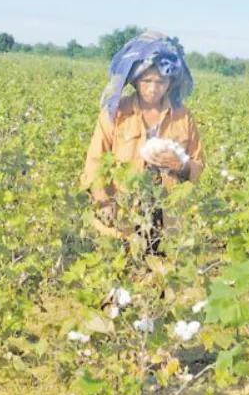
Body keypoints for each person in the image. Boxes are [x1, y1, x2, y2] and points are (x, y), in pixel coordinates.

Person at [81, 31, 205, 252]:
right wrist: (104, 201)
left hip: (166, 214)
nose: (153, 88)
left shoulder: (182, 117)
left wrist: (182, 165)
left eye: (161, 81)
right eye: (147, 80)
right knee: (122, 274)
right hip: (123, 211)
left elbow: (199, 164)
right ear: (136, 80)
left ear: (170, 83)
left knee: (160, 273)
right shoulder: (116, 114)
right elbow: (95, 161)